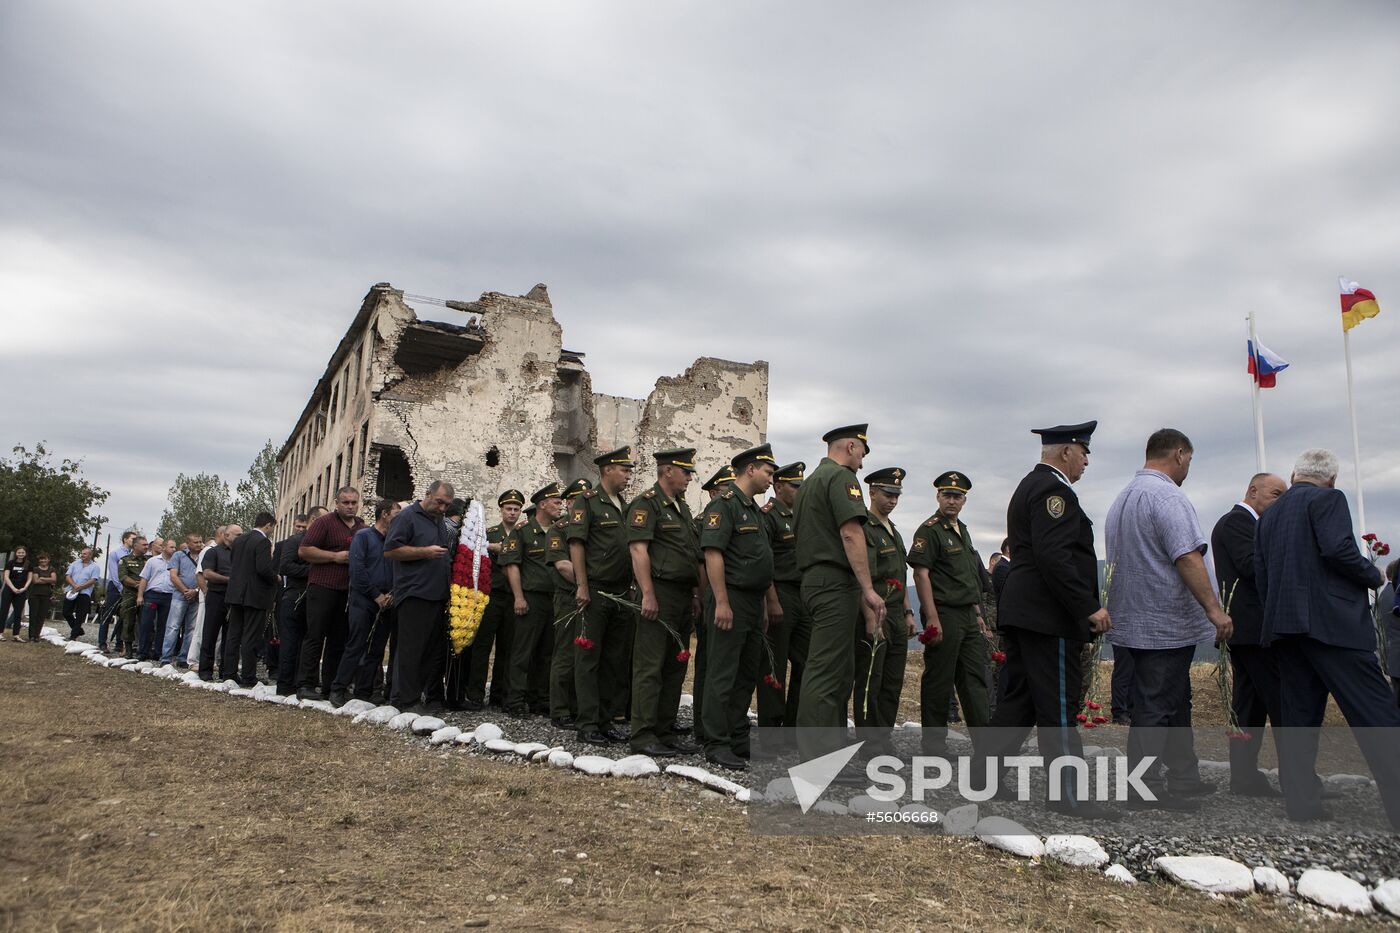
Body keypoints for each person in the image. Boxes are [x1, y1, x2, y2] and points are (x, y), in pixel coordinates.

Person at [978, 421, 1118, 817]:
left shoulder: (1032, 485)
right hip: (1047, 616)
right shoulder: (1053, 490)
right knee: (1058, 707)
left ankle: (982, 778)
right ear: (1066, 451)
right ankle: (1067, 795)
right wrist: (1087, 606)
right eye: (1084, 450)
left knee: (1018, 703)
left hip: (1028, 614)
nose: (1087, 460)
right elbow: (1054, 555)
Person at [1256, 448, 1400, 826]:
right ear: (1332, 479)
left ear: (1294, 474)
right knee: (1376, 714)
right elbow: (1338, 549)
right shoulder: (1329, 498)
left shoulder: (1269, 515)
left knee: (1298, 719)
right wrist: (1375, 576)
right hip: (1332, 624)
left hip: (1285, 627)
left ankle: (1302, 804)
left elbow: (1262, 573)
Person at [1105, 429, 1230, 811]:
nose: (1187, 468)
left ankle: (1183, 776)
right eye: (1188, 461)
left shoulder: (1123, 497)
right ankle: (1142, 788)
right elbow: (1187, 557)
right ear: (1178, 454)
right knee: (1156, 705)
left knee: (1175, 701)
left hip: (1134, 619)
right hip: (1164, 623)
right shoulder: (1167, 496)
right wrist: (1214, 609)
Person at [793, 425, 884, 766]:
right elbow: (850, 533)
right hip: (832, 582)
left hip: (819, 581)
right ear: (849, 446)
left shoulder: (812, 482)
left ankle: (828, 752)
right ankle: (817, 758)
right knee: (826, 671)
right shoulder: (841, 478)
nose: (862, 460)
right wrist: (868, 589)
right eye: (862, 451)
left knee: (837, 670)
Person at [700, 443, 778, 770]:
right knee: (723, 674)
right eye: (769, 472)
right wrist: (721, 602)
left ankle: (736, 736)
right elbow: (713, 554)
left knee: (746, 674)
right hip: (730, 597)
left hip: (751, 601)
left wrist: (762, 605)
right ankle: (716, 742)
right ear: (751, 469)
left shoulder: (752, 509)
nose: (771, 480)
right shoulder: (725, 505)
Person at [1211, 472, 1288, 797]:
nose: (1280, 502)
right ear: (1253, 490)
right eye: (1275, 494)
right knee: (1283, 704)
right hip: (1253, 631)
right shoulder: (1237, 522)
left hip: (1250, 632)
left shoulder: (1245, 523)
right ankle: (1298, 780)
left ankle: (1244, 778)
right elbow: (1250, 566)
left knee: (1249, 707)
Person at [626, 450, 701, 756]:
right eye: (685, 471)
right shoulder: (647, 503)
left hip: (682, 595)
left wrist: (695, 595)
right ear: (667, 471)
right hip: (659, 591)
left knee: (675, 666)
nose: (689, 476)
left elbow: (690, 555)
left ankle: (664, 732)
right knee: (650, 666)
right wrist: (647, 593)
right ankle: (643, 736)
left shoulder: (681, 508)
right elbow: (638, 551)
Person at [910, 471, 991, 755]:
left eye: (957, 497)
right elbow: (921, 574)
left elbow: (967, 576)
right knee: (939, 680)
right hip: (943, 612)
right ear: (938, 497)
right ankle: (933, 745)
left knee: (974, 680)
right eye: (947, 495)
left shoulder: (962, 530)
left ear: (964, 500)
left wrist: (977, 614)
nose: (952, 501)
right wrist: (931, 617)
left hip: (967, 615)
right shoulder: (929, 530)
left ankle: (985, 744)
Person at [568, 447, 639, 746]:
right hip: (596, 589)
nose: (628, 475)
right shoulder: (588, 503)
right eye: (624, 469)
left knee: (614, 660)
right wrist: (582, 585)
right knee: (589, 659)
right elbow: (576, 545)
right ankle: (587, 723)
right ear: (608, 469)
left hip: (621, 592)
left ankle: (606, 719)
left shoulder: (624, 505)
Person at [852, 467, 915, 754]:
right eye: (887, 494)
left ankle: (883, 737)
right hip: (874, 610)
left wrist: (908, 611)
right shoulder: (864, 527)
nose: (892, 500)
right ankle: (868, 741)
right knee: (871, 678)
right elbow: (862, 575)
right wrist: (869, 616)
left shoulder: (894, 532)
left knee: (893, 679)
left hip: (896, 614)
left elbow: (899, 575)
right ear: (872, 492)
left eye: (896, 495)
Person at [384, 481, 454, 714]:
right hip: (414, 593)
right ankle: (405, 700)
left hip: (436, 594)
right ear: (428, 494)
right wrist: (424, 552)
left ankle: (419, 697)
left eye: (447, 505)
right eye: (439, 502)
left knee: (429, 651)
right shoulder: (407, 518)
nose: (443, 508)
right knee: (410, 650)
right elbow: (391, 550)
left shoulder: (439, 522)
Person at [500, 483, 564, 717]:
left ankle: (541, 699)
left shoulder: (559, 530)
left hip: (554, 598)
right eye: (556, 502)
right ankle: (514, 700)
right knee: (522, 651)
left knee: (548, 651)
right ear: (543, 504)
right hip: (531, 598)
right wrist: (519, 597)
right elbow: (511, 566)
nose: (560, 506)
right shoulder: (523, 531)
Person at [297, 488, 365, 699]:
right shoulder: (324, 522)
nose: (350, 506)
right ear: (336, 503)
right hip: (322, 586)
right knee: (315, 636)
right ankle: (306, 684)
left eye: (354, 502)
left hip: (347, 591)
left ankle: (331, 685)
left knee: (338, 640)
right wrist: (334, 557)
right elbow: (305, 550)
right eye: (345, 502)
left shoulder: (362, 527)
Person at [330, 499, 399, 706]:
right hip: (364, 601)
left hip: (387, 602)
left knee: (376, 649)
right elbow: (357, 571)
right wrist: (376, 595)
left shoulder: (395, 541)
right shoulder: (364, 536)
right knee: (356, 645)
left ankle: (364, 691)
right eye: (396, 513)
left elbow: (399, 570)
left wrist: (392, 594)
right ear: (385, 514)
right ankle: (338, 688)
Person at [757, 461, 808, 727]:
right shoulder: (768, 515)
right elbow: (764, 562)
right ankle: (771, 724)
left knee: (806, 662)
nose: (799, 491)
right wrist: (772, 599)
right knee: (774, 664)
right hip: (780, 592)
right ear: (778, 487)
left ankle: (794, 722)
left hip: (803, 595)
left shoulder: (802, 516)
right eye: (794, 486)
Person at [465, 490, 524, 709]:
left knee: (507, 649)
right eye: (508, 508)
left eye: (516, 509)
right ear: (501, 510)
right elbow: (475, 554)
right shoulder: (489, 534)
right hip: (491, 596)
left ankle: (500, 694)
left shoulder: (522, 533)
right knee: (482, 646)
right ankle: (475, 695)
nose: (512, 513)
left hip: (513, 597)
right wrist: (492, 547)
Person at [692, 464, 735, 743]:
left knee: (727, 665)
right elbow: (701, 564)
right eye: (724, 489)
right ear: (711, 493)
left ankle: (724, 723)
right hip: (712, 598)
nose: (729, 493)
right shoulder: (703, 521)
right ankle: (703, 726)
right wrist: (703, 598)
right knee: (709, 663)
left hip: (733, 597)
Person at [545, 479, 591, 728]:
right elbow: (563, 565)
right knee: (565, 654)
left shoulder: (590, 526)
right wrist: (588, 581)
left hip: (590, 597)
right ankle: (560, 710)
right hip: (568, 598)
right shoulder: (559, 530)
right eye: (578, 499)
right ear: (570, 502)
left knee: (585, 654)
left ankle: (579, 706)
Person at [225, 512, 278, 686]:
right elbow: (263, 568)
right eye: (272, 528)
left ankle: (230, 673)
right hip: (255, 595)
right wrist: (275, 578)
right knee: (250, 635)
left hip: (236, 593)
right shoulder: (263, 541)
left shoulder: (239, 540)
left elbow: (234, 563)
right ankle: (248, 676)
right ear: (268, 525)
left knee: (234, 634)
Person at [274, 510, 318, 695]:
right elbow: (285, 567)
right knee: (291, 642)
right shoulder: (294, 541)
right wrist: (313, 570)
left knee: (307, 642)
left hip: (313, 598)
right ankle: (285, 684)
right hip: (294, 596)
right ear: (313, 520)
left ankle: (302, 681)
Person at [197, 525, 239, 680]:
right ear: (226, 535)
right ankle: (205, 671)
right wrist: (230, 580)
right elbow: (207, 573)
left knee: (231, 637)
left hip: (234, 598)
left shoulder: (240, 553)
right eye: (238, 534)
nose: (241, 537)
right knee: (210, 634)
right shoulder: (213, 552)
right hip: (216, 596)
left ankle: (228, 672)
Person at [161, 533, 203, 667]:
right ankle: (166, 657)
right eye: (195, 542)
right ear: (188, 543)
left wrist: (195, 591)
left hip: (196, 596)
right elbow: (173, 575)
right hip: (180, 596)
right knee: (173, 626)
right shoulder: (178, 555)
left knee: (191, 628)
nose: (199, 544)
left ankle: (183, 658)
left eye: (200, 542)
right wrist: (185, 591)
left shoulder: (204, 555)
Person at [136, 538, 179, 661]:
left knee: (164, 625)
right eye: (171, 547)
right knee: (146, 623)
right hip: (153, 595)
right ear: (164, 547)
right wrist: (140, 595)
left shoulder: (176, 562)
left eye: (175, 547)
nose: (174, 549)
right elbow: (144, 579)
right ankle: (143, 651)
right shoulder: (152, 561)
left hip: (168, 595)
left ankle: (158, 652)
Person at [96, 531, 135, 652]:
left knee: (124, 616)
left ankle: (119, 642)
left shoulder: (133, 554)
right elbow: (114, 573)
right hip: (116, 586)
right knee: (107, 614)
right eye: (132, 539)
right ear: (125, 539)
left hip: (128, 588)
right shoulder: (115, 553)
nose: (134, 541)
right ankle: (102, 642)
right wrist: (121, 588)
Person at [115, 538, 149, 656]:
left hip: (147, 595)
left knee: (145, 622)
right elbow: (123, 577)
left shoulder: (149, 560)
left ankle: (143, 648)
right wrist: (137, 585)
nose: (146, 546)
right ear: (135, 546)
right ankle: (128, 648)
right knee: (128, 621)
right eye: (143, 544)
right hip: (130, 594)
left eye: (147, 544)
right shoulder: (125, 560)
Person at [60, 547, 101, 639]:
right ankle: (78, 630)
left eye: (85, 554)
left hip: (84, 592)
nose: (82, 555)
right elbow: (67, 575)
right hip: (71, 590)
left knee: (80, 615)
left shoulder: (95, 567)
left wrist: (81, 587)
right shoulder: (74, 564)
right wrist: (74, 585)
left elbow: (93, 580)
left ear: (90, 555)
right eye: (81, 553)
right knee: (66, 612)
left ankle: (73, 635)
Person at [25, 553, 56, 642]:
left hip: (46, 595)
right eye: (41, 559)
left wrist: (42, 578)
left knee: (41, 616)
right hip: (34, 594)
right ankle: (31, 635)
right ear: (39, 560)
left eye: (45, 559)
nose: (43, 561)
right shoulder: (35, 569)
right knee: (33, 615)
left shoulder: (52, 569)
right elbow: (35, 580)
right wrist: (48, 580)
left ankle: (36, 635)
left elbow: (54, 579)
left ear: (48, 560)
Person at [2, 546, 32, 639]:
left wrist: (24, 588)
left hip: (21, 591)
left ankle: (16, 635)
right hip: (9, 589)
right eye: (19, 552)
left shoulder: (28, 564)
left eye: (22, 552)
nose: (21, 554)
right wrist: (13, 588)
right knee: (3, 611)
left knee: (18, 612)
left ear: (25, 553)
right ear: (16, 553)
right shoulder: (10, 563)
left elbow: (29, 578)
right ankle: (0, 633)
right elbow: (6, 577)